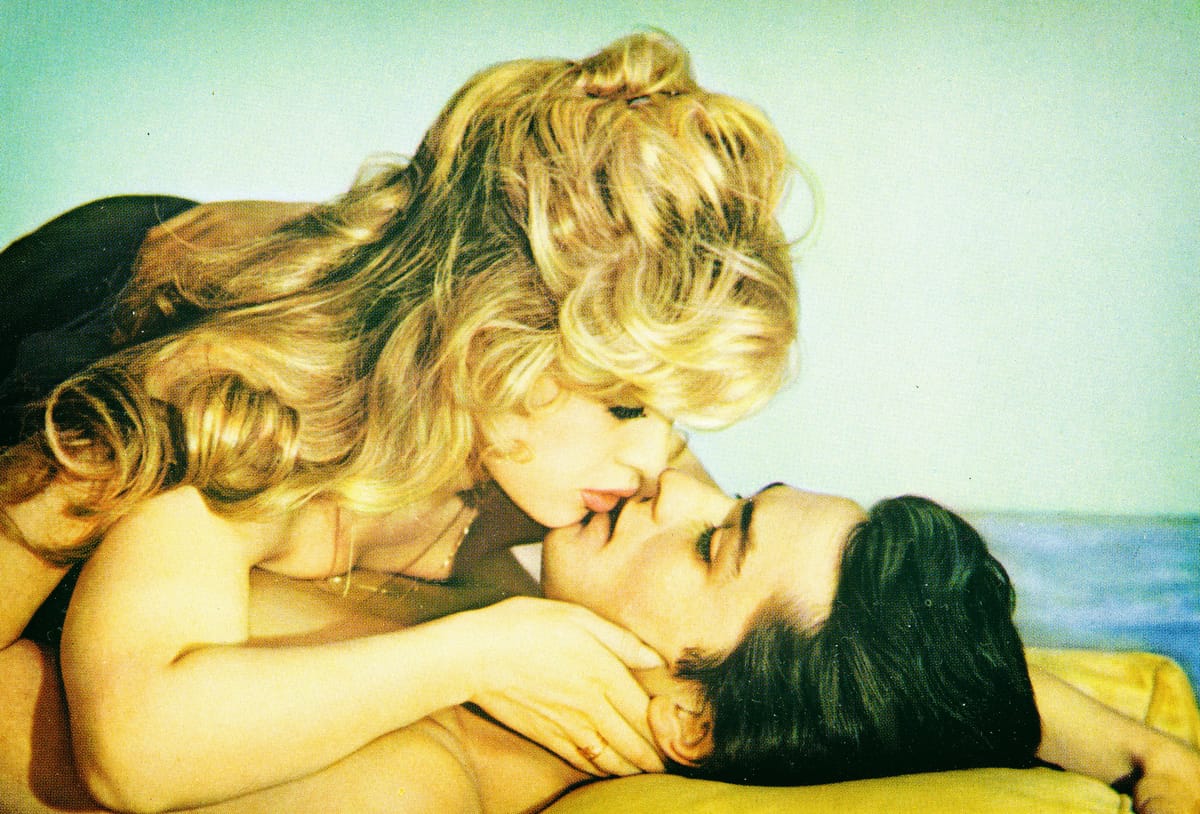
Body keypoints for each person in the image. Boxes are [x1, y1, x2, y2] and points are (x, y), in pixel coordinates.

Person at [0, 31, 799, 811]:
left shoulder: (603, 466)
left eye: (669, 414)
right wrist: (477, 655)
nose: (661, 461)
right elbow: (134, 755)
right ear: (495, 347)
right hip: (101, 305)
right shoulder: (232, 403)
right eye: (626, 405)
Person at [4, 472, 1197, 813]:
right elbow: (920, 682)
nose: (675, 482)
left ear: (691, 718)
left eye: (716, 540)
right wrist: (1145, 750)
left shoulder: (402, 780)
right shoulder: (509, 606)